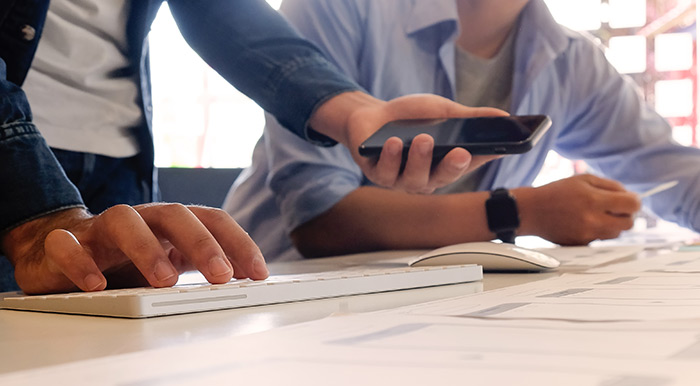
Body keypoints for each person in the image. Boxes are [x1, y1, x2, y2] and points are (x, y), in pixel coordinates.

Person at [0, 0, 501, 294]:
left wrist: (350, 110)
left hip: (117, 167)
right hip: (16, 180)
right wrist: (37, 212)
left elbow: (219, 9)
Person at [223, 0, 700, 262]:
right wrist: (521, 211)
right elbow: (318, 220)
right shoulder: (337, 9)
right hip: (277, 288)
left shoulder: (572, 58)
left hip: (444, 296)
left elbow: (670, 170)